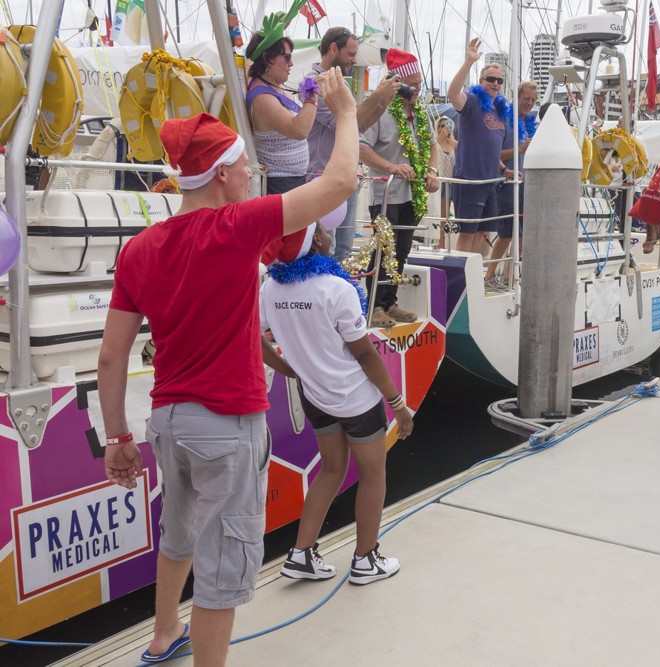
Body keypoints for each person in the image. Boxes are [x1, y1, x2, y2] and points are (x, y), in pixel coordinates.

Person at [98, 69, 358, 667]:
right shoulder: (237, 227)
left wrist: (117, 437)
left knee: (181, 537)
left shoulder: (140, 248)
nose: (250, 175)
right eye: (244, 167)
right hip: (227, 425)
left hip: (168, 422)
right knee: (224, 567)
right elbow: (341, 179)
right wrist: (343, 113)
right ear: (220, 173)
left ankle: (164, 636)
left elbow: (112, 356)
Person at [260, 224, 414, 583]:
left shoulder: (271, 288)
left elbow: (252, 338)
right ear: (316, 241)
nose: (332, 236)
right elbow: (364, 354)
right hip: (356, 399)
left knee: (330, 471)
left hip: (315, 397)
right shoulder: (336, 288)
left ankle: (301, 554)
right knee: (373, 476)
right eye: (326, 232)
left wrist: (290, 369)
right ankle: (365, 560)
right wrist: (397, 403)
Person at [360, 48, 440, 328]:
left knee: (403, 250)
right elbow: (360, 148)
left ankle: (389, 302)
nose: (419, 88)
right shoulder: (380, 111)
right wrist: (391, 167)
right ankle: (373, 306)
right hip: (385, 194)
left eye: (420, 83)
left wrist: (431, 170)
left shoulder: (419, 112)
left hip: (412, 194)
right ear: (399, 84)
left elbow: (432, 146)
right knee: (383, 250)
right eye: (414, 84)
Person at [307, 27, 401, 261]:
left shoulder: (340, 84)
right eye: (350, 54)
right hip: (323, 178)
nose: (353, 60)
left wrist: (383, 100)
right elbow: (346, 122)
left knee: (345, 251)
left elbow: (358, 126)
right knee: (326, 249)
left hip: (345, 177)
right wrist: (377, 96)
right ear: (332, 49)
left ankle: (342, 296)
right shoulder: (314, 84)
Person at [448, 38, 513, 254]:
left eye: (499, 81)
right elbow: (453, 95)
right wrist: (468, 62)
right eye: (490, 79)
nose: (495, 83)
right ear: (481, 81)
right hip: (470, 180)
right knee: (467, 233)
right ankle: (461, 279)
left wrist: (504, 169)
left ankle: (470, 277)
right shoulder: (473, 102)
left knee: (480, 232)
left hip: (490, 182)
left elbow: (490, 150)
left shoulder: (500, 111)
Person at [244, 30, 316, 195]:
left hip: (292, 181)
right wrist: (313, 95)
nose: (291, 64)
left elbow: (250, 59)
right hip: (280, 184)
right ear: (268, 59)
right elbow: (300, 130)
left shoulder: (273, 85)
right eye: (287, 57)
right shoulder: (263, 98)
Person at [485, 81, 538, 287]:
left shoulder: (528, 124)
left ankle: (508, 276)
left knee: (521, 233)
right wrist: (521, 150)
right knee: (507, 233)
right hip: (506, 183)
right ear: (517, 98)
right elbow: (495, 154)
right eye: (526, 99)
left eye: (533, 100)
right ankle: (490, 275)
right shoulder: (506, 122)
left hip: (523, 184)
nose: (529, 103)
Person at [435, 116, 458, 247]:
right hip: (442, 182)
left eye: (448, 125)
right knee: (442, 218)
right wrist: (442, 136)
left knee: (453, 217)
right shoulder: (436, 143)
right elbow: (433, 148)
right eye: (442, 125)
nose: (445, 128)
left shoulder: (454, 143)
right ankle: (441, 245)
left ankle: (448, 244)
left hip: (452, 182)